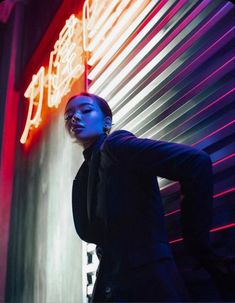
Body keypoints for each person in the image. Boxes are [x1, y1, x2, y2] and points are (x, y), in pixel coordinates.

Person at [64, 92, 233, 302]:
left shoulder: (116, 146)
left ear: (106, 121)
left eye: (86, 110)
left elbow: (195, 162)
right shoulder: (83, 176)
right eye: (68, 115)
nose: (74, 117)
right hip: (113, 286)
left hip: (150, 283)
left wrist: (197, 245)